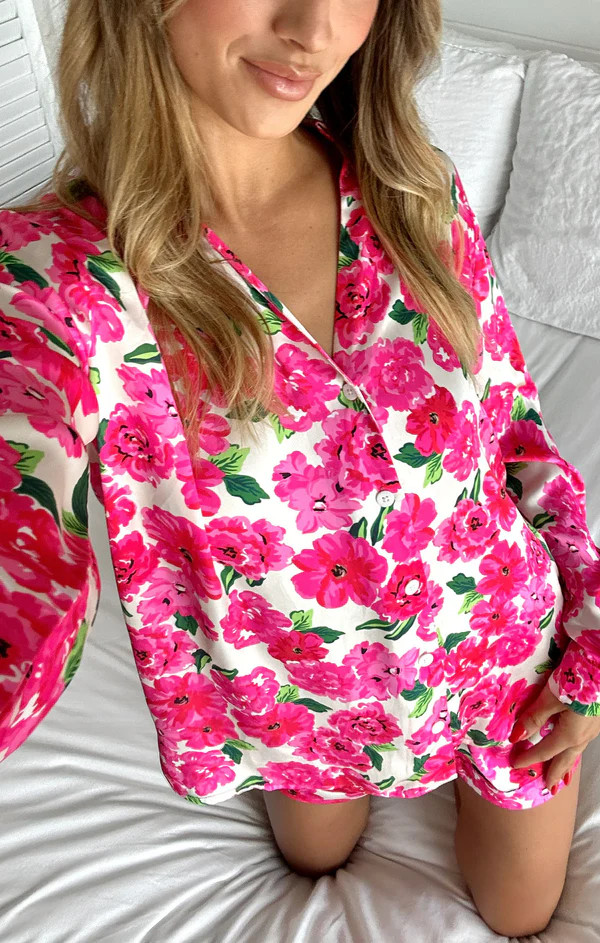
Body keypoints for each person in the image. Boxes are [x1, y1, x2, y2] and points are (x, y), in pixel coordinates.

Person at [1, 0, 600, 934]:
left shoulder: (411, 190)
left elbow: (516, 432)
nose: (315, 29)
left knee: (520, 913)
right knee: (314, 854)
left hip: (501, 660)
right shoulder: (64, 283)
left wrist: (588, 647)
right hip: (301, 702)